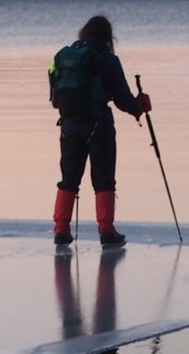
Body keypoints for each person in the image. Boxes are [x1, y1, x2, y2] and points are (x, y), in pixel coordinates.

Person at [48, 15, 151, 248]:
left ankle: (61, 229)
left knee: (69, 178)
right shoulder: (107, 59)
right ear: (108, 37)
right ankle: (106, 230)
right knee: (103, 178)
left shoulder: (64, 57)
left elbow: (55, 97)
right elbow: (123, 99)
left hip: (69, 125)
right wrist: (140, 107)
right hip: (99, 126)